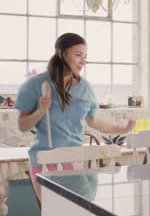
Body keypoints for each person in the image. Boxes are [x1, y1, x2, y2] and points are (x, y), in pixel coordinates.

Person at [15, 33, 135, 201]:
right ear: (60, 53)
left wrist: (122, 129)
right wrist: (41, 110)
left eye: (85, 57)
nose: (83, 61)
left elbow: (93, 120)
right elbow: (22, 125)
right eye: (78, 55)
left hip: (74, 159)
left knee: (76, 210)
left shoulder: (85, 87)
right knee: (54, 212)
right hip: (43, 160)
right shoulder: (35, 85)